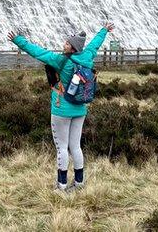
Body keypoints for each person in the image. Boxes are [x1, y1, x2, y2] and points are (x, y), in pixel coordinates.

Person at [7, 21, 115, 192]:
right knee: (76, 146)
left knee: (62, 148)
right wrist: (104, 31)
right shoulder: (87, 56)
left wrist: (18, 41)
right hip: (80, 108)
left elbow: (37, 52)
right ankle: (79, 183)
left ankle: (61, 186)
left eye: (66, 43)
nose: (63, 44)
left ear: (72, 48)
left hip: (62, 109)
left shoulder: (60, 60)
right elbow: (95, 43)